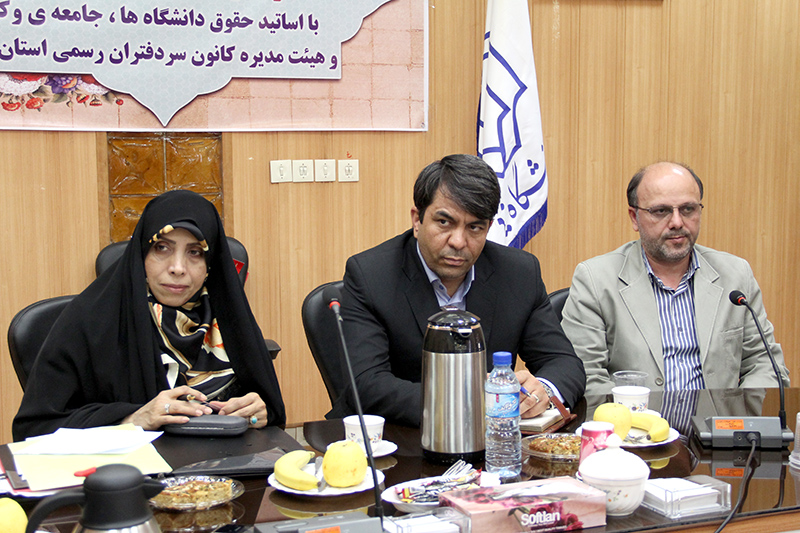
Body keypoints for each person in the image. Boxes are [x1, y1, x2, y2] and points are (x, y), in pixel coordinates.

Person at [329, 154, 585, 427]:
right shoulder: (371, 276)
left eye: (475, 227)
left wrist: (543, 390)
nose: (459, 241)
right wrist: (468, 400)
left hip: (493, 442)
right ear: (417, 220)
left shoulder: (519, 273)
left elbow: (563, 362)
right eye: (444, 223)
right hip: (398, 437)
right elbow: (367, 385)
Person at [13, 190, 285, 440]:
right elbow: (34, 429)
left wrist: (260, 411)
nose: (177, 267)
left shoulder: (228, 318)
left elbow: (270, 413)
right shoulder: (88, 321)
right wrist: (133, 418)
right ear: (142, 253)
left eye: (194, 252)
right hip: (133, 472)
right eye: (162, 248)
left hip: (229, 467)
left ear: (210, 263)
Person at [561, 161, 790, 397]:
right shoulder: (596, 279)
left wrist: (738, 414)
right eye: (661, 211)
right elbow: (585, 376)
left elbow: (765, 364)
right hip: (634, 419)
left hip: (719, 418)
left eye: (688, 209)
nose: (677, 222)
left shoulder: (735, 274)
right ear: (634, 217)